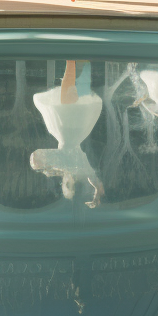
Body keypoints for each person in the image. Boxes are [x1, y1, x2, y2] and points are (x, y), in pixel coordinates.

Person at [30, 60, 105, 208]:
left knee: (72, 87)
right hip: (67, 127)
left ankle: (77, 61)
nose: (69, 183)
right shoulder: (72, 166)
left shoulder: (78, 167)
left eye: (68, 186)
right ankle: (73, 59)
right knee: (69, 84)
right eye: (71, 186)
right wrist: (42, 167)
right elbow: (35, 157)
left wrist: (97, 193)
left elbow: (97, 183)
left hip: (75, 129)